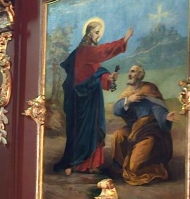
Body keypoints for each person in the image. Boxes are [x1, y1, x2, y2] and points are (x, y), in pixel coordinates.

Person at [53, 18, 133, 175]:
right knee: (85, 131)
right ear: (89, 33)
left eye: (99, 33)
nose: (98, 36)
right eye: (96, 33)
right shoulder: (85, 51)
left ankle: (91, 164)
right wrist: (123, 40)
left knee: (93, 129)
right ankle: (79, 164)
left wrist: (108, 77)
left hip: (91, 97)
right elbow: (103, 51)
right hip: (84, 99)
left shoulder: (86, 53)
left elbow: (94, 73)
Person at [103, 64, 177, 185]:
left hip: (150, 131)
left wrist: (165, 117)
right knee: (118, 135)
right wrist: (128, 100)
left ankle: (156, 169)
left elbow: (158, 109)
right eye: (129, 72)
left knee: (134, 169)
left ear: (140, 75)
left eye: (133, 71)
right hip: (134, 128)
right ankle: (120, 167)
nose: (129, 74)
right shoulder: (127, 92)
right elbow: (116, 110)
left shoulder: (149, 89)